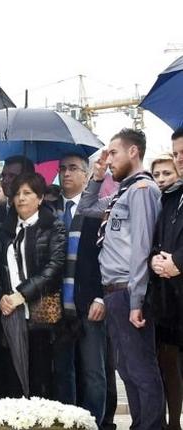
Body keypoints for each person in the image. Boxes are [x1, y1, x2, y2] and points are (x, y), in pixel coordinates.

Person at [78, 128, 163, 430]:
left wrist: (137, 300)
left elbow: (141, 247)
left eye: (113, 153)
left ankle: (151, 426)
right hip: (114, 290)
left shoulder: (142, 191)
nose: (108, 159)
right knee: (126, 369)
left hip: (130, 289)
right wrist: (97, 176)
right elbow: (86, 208)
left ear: (133, 152)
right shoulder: (122, 192)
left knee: (141, 369)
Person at [0, 172, 66, 398]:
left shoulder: (53, 226)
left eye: (28, 193)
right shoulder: (5, 229)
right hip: (10, 312)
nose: (21, 198)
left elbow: (54, 267)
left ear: (40, 198)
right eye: (17, 194)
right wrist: (0, 297)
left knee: (41, 377)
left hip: (39, 313)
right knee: (12, 377)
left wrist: (22, 294)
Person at [49, 154, 108, 426]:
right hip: (58, 304)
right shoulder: (49, 210)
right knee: (63, 371)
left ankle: (94, 423)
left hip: (89, 300)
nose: (66, 174)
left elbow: (106, 257)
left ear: (86, 175)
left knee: (93, 372)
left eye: (73, 169)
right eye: (62, 169)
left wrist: (101, 296)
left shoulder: (96, 210)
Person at [150, 130, 183, 430]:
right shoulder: (171, 197)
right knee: (168, 365)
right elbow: (157, 238)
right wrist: (156, 258)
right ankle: (173, 424)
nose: (180, 158)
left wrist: (178, 262)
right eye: (177, 153)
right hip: (168, 299)